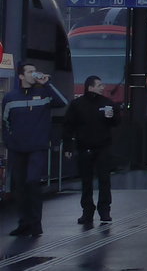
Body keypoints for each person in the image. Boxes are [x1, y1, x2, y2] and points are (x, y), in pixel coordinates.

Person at [2, 61, 68, 237]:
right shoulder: (10, 97)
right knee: (19, 187)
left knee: (32, 183)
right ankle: (24, 223)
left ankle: (35, 223)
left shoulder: (44, 93)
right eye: (30, 72)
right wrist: (9, 141)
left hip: (37, 147)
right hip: (17, 149)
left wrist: (48, 83)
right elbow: (5, 122)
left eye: (35, 71)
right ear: (21, 76)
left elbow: (62, 102)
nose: (34, 74)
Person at [63, 75, 121, 226]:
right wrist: (68, 146)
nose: (103, 87)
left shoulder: (108, 104)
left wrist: (112, 117)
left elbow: (117, 122)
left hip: (103, 147)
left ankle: (105, 211)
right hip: (84, 148)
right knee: (86, 181)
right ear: (90, 87)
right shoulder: (77, 104)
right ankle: (87, 212)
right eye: (99, 85)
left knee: (104, 180)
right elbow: (68, 126)